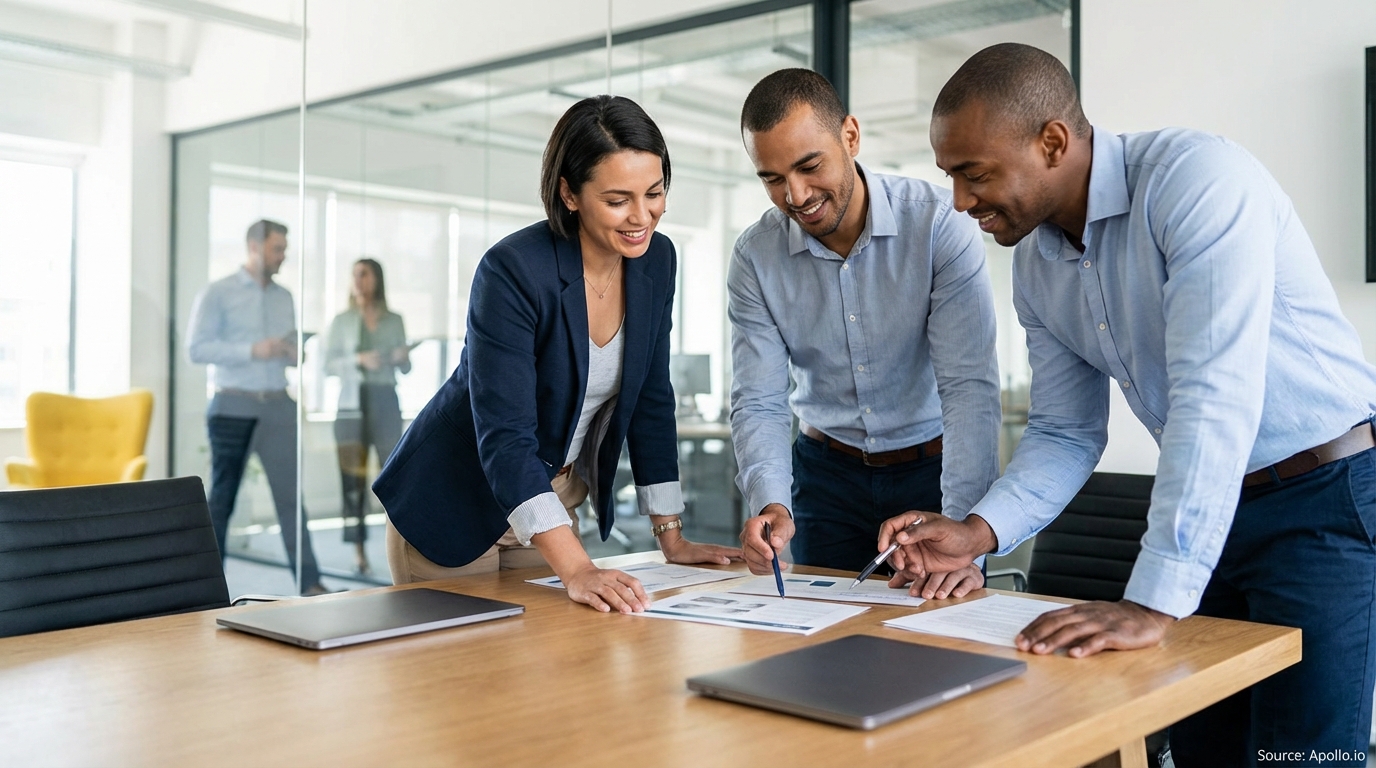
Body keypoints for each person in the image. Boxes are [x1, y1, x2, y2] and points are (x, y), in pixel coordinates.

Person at [880, 43, 1376, 767]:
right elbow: (1065, 430)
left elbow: (1214, 395)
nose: (960, 200)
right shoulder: (1037, 267)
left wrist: (1149, 604)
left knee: (1303, 757)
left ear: (1052, 141)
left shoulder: (1198, 180)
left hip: (1323, 500)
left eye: (974, 173)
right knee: (1205, 747)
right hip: (1212, 514)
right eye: (949, 176)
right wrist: (979, 532)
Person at [374, 95, 740, 612]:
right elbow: (505, 435)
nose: (642, 217)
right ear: (569, 193)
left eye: (654, 193)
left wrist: (670, 534)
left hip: (550, 505)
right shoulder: (513, 270)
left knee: (549, 664)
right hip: (455, 502)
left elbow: (651, 396)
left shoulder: (656, 259)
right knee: (460, 681)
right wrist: (579, 567)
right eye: (618, 200)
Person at [728, 68, 996, 599]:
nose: (796, 195)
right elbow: (759, 400)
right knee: (823, 651)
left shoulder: (939, 226)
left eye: (808, 166)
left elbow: (969, 389)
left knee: (939, 636)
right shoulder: (755, 257)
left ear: (850, 136)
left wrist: (967, 529)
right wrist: (770, 503)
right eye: (773, 178)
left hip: (935, 471)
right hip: (825, 478)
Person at [187, 218, 327, 596]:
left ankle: (310, 583)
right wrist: (253, 350)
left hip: (278, 405)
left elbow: (288, 356)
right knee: (222, 501)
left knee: (289, 500)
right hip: (233, 406)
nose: (283, 256)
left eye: (284, 249)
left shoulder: (285, 297)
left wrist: (291, 351)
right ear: (254, 247)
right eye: (276, 249)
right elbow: (196, 349)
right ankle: (206, 589)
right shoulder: (218, 293)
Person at [324, 258, 410, 575]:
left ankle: (401, 546)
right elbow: (327, 366)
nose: (358, 280)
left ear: (377, 279)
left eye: (364, 274)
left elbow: (406, 366)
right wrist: (358, 359)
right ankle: (358, 551)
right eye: (354, 274)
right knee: (353, 480)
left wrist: (401, 357)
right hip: (350, 406)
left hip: (385, 401)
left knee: (393, 477)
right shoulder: (342, 321)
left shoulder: (394, 320)